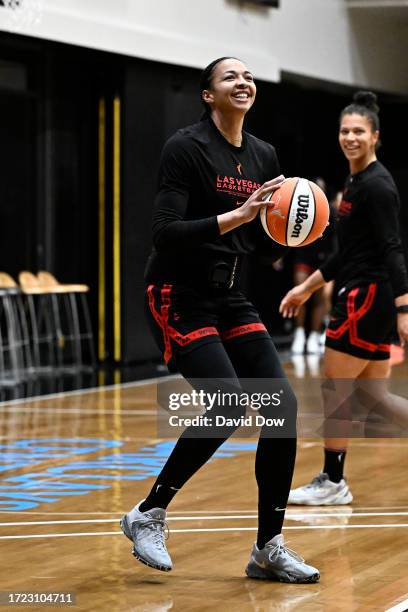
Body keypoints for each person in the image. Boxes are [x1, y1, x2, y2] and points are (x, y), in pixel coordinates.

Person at [120, 57, 319, 583]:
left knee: (281, 407)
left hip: (230, 295)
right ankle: (149, 513)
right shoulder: (185, 148)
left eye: (249, 76)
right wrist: (239, 215)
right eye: (230, 76)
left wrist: (292, 230)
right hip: (176, 293)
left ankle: (268, 547)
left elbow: (253, 239)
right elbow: (165, 231)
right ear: (208, 95)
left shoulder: (263, 154)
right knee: (228, 403)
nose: (243, 81)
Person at [280, 91, 408, 505]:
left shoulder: (378, 187)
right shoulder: (354, 184)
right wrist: (306, 287)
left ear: (375, 137)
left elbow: (392, 248)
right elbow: (343, 254)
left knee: (336, 390)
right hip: (364, 292)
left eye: (359, 131)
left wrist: (404, 308)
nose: (350, 137)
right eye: (344, 130)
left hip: (365, 297)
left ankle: (333, 481)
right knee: (374, 397)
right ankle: (334, 480)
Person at [290, 177, 337, 355]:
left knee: (321, 298)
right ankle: (300, 333)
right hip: (304, 256)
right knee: (299, 292)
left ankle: (315, 335)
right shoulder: (300, 207)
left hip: (325, 258)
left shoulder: (331, 211)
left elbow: (336, 240)